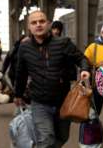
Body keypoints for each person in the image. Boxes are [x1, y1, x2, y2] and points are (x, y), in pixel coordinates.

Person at [13, 10, 90, 148]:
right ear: (29, 27)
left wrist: (84, 69)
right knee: (46, 138)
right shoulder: (24, 47)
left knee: (62, 137)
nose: (38, 25)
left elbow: (81, 58)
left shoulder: (63, 43)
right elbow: (21, 73)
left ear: (48, 24)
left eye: (42, 21)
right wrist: (18, 94)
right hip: (39, 102)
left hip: (63, 102)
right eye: (34, 22)